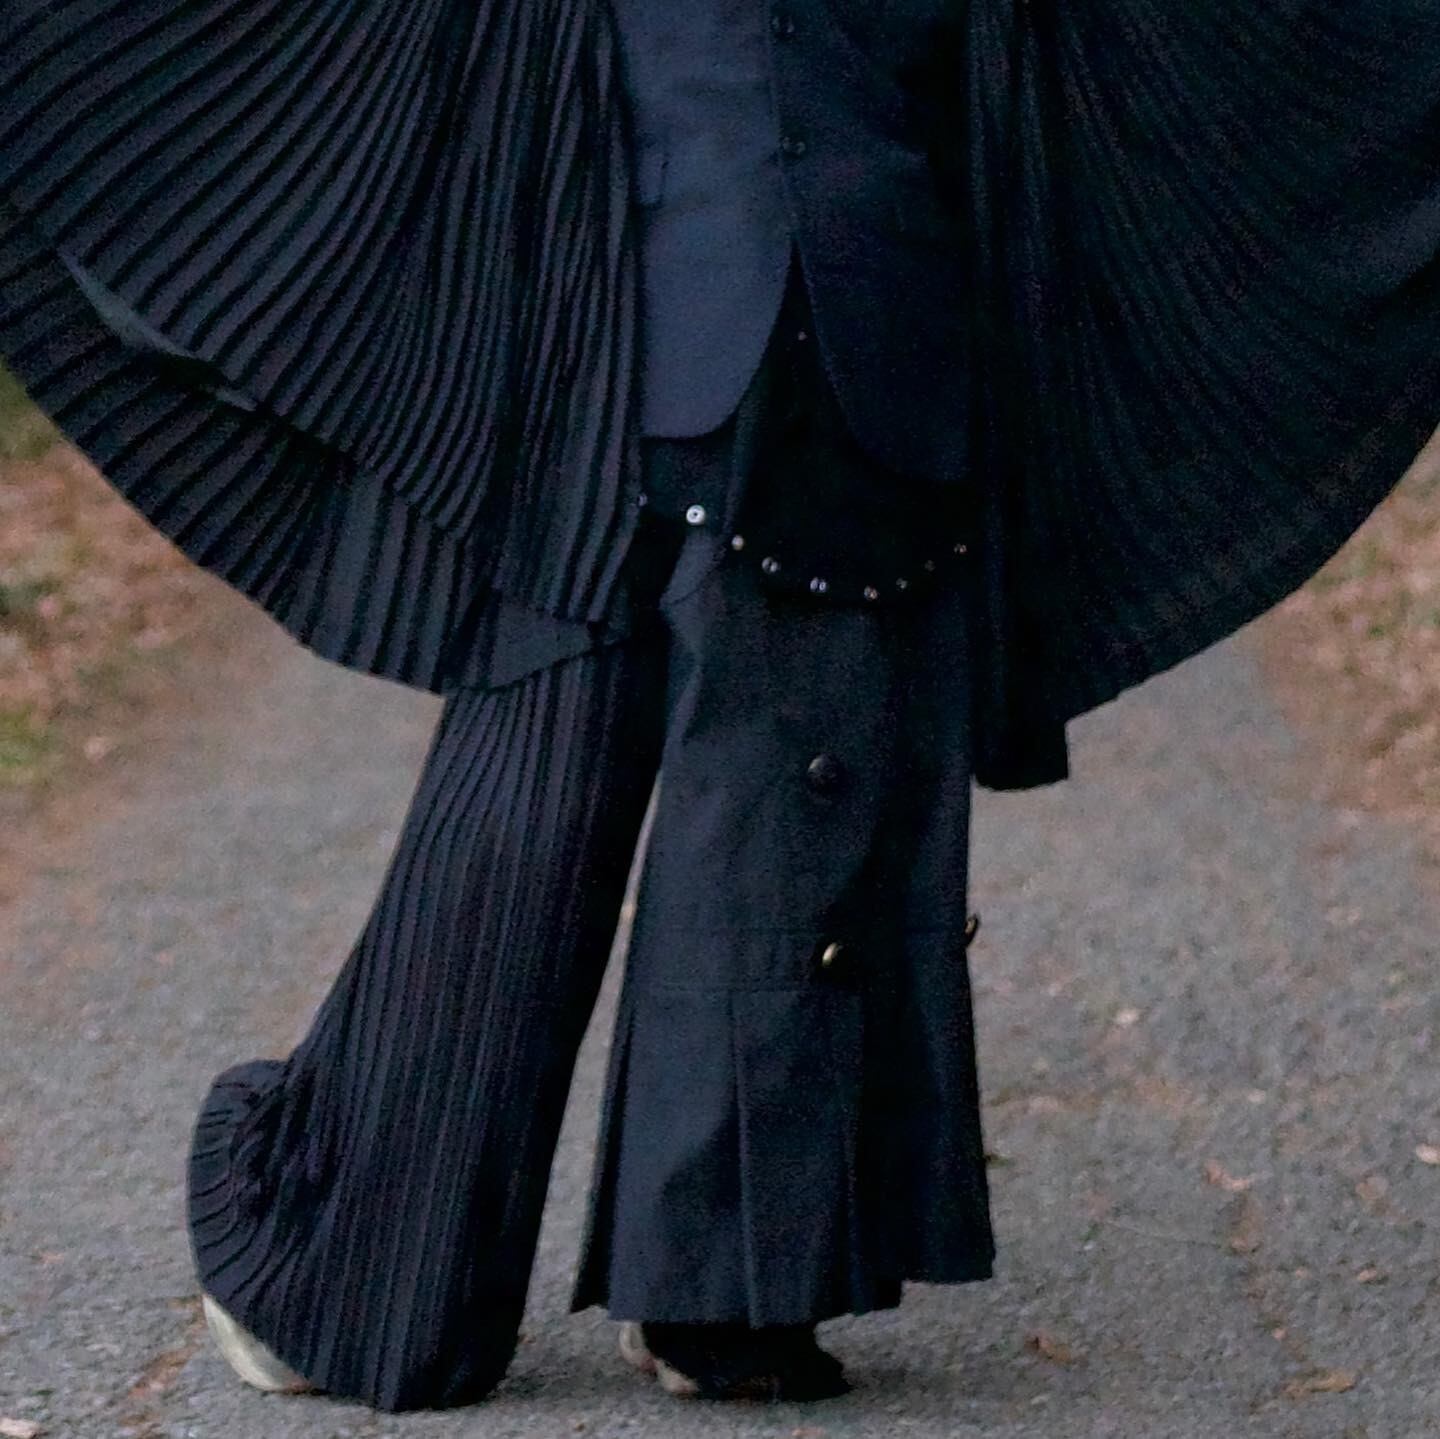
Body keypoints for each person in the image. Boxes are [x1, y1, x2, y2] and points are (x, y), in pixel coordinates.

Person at [0, 0, 1436, 1414]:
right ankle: (360, 1272)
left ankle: (727, 1284)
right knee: (530, 815)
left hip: (865, 331)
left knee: (797, 791)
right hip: (591, 341)